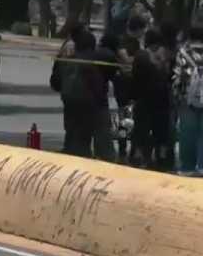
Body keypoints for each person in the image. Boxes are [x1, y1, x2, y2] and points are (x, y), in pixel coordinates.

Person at [54, 29, 116, 161]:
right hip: (94, 107)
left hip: (71, 105)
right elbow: (101, 83)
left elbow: (55, 82)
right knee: (102, 143)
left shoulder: (66, 61)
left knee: (75, 142)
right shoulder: (97, 61)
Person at [172, 26, 203, 176]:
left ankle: (187, 166)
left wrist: (177, 95)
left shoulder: (183, 53)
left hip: (187, 98)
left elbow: (177, 76)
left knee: (187, 132)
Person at [131, 29, 173, 170]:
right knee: (161, 133)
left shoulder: (141, 56)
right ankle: (161, 158)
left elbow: (135, 77)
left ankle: (139, 157)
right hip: (162, 100)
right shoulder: (165, 56)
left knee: (140, 130)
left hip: (143, 99)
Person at [112, 14, 146, 162]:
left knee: (128, 118)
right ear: (138, 29)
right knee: (125, 118)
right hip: (125, 84)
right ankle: (123, 147)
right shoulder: (123, 42)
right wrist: (139, 58)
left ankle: (130, 148)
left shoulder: (135, 43)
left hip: (130, 83)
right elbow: (124, 59)